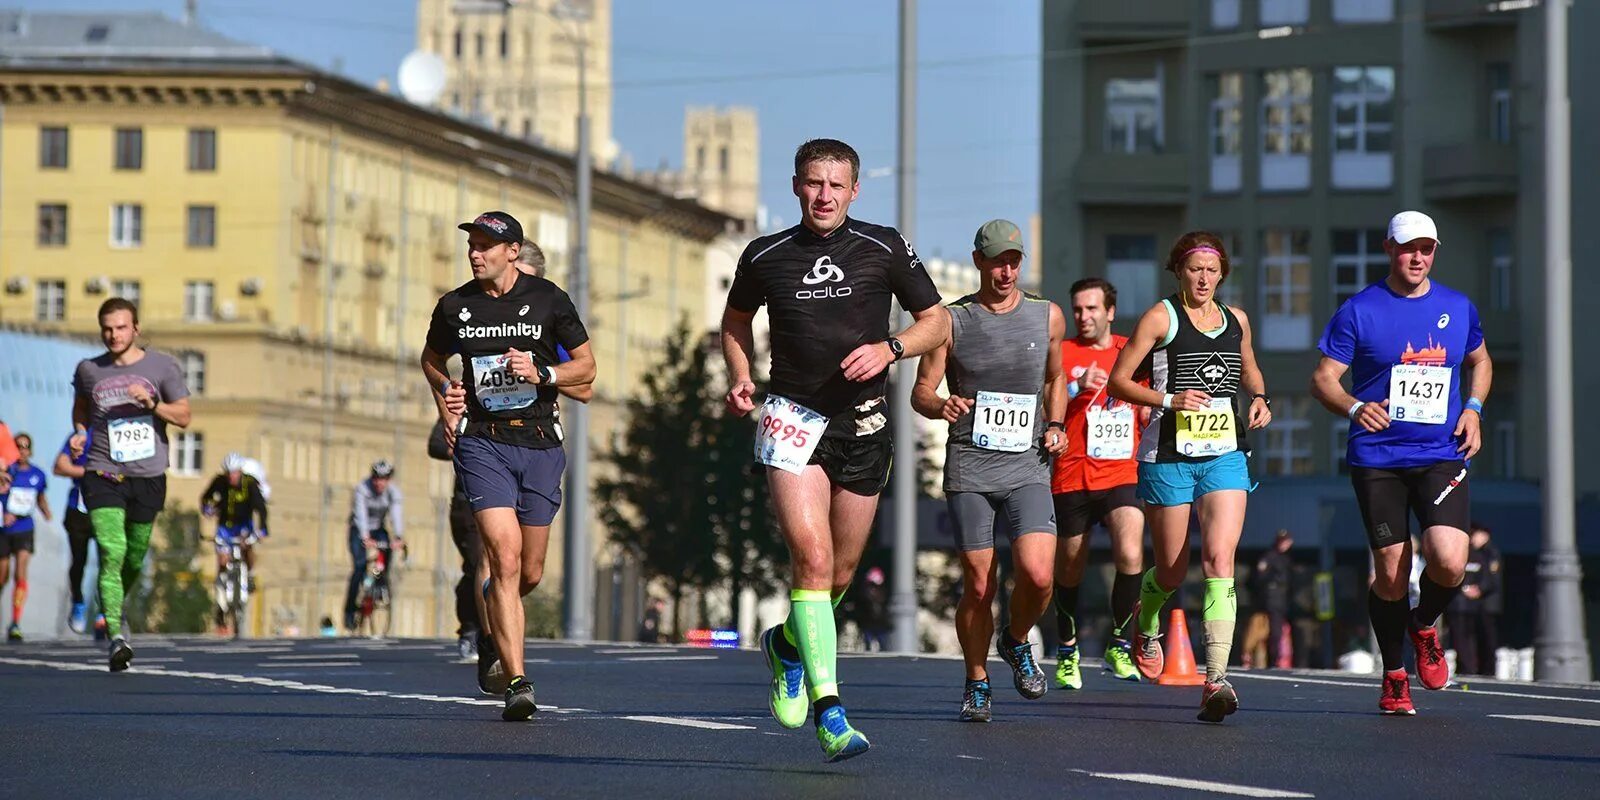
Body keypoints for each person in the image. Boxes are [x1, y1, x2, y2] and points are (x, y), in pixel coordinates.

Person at [722, 138, 946, 760]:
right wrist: (741, 376)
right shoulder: (766, 254)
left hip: (865, 426)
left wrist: (892, 349)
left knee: (840, 573)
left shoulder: (882, 245)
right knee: (813, 560)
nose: (824, 196)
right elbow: (736, 322)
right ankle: (830, 709)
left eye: (836, 186)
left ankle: (786, 646)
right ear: (796, 186)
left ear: (854, 191)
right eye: (813, 184)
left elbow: (937, 319)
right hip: (792, 420)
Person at [1310, 210, 1491, 715]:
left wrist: (1473, 410)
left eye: (1427, 248)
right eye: (1409, 247)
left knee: (1450, 560)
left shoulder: (1457, 307)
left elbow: (1480, 360)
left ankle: (1424, 624)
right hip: (1379, 458)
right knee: (1392, 571)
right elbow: (1324, 378)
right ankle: (1394, 674)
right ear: (1389, 248)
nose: (1418, 257)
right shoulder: (1360, 310)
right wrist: (1353, 406)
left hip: (1441, 453)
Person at [421, 210, 596, 722]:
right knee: (504, 558)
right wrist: (446, 399)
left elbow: (587, 369)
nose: (475, 254)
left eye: (486, 246)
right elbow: (431, 359)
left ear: (512, 252)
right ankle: (516, 678)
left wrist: (543, 371)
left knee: (531, 572)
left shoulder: (549, 301)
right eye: (471, 246)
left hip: (540, 444)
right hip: (483, 444)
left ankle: (495, 613)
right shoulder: (456, 306)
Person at [1107, 231, 1272, 723]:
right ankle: (1148, 619)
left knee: (1220, 558)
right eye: (1194, 269)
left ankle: (1216, 678)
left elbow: (1251, 372)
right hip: (1168, 455)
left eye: (1211, 270)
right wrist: (1169, 400)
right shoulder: (1161, 316)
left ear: (1222, 274)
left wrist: (1261, 398)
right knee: (1174, 570)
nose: (1203, 278)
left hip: (1224, 452)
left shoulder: (1235, 319)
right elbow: (1120, 380)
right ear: (1179, 271)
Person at [912, 218, 1067, 722]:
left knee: (1040, 575)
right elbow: (922, 391)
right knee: (979, 585)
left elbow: (1056, 378)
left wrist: (1059, 422)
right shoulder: (951, 322)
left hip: (1028, 465)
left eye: (1014, 260)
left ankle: (1016, 639)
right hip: (971, 466)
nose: (1007, 270)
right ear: (978, 261)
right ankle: (976, 680)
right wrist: (942, 406)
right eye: (998, 260)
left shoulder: (1047, 317)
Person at [72, 297, 193, 671]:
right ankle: (115, 636)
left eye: (121, 327)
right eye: (107, 328)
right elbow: (81, 409)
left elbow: (185, 416)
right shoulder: (89, 369)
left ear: (135, 329)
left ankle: (114, 601)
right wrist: (79, 433)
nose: (113, 334)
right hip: (103, 472)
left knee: (135, 554)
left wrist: (153, 405)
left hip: (148, 476)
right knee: (112, 550)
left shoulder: (162, 366)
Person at [1050, 277, 1146, 688]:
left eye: (1092, 309)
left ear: (1110, 312)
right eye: (1078, 310)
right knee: (1070, 569)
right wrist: (1075, 386)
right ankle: (1068, 649)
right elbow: (1040, 404)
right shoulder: (1064, 351)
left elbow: (1147, 400)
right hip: (1071, 473)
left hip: (1122, 472)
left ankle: (1120, 644)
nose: (1083, 317)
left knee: (1130, 551)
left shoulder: (1131, 353)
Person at [200, 452, 269, 630]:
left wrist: (262, 528)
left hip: (243, 526)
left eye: (235, 473)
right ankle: (221, 604)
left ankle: (250, 574)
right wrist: (208, 508)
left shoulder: (250, 484)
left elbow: (261, 508)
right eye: (228, 474)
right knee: (222, 561)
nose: (231, 477)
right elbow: (206, 497)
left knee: (248, 547)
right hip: (225, 526)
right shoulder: (220, 482)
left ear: (240, 472)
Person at [2, 433, 52, 641]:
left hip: (25, 528)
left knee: (21, 573)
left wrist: (46, 511)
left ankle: (15, 621)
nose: (22, 450)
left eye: (25, 447)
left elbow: (40, 498)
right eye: (18, 446)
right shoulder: (7, 472)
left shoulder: (38, 475)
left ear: (30, 450)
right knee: (2, 576)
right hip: (4, 530)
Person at [345, 460, 404, 632]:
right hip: (358, 528)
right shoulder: (362, 489)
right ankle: (349, 610)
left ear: (389, 480)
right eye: (377, 479)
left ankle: (381, 583)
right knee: (359, 566)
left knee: (388, 549)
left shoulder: (393, 493)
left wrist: (399, 536)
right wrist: (365, 537)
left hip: (378, 528)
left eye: (384, 479)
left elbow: (396, 514)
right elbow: (360, 515)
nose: (380, 483)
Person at [53, 429, 96, 633]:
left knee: (111, 559)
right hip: (79, 509)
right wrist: (90, 471)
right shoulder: (80, 435)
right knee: (79, 560)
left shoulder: (118, 430)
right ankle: (78, 600)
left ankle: (107, 610)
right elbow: (59, 466)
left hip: (109, 507)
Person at [1445, 523, 1502, 676]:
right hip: (1474, 604)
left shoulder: (1489, 553)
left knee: (1486, 638)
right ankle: (1477, 668)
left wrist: (1479, 589)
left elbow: (1491, 578)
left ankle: (1486, 669)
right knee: (1472, 637)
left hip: (1486, 603)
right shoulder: (1477, 553)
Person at [1253, 530, 1295, 669]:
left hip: (1282, 600)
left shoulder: (1286, 559)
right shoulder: (1270, 557)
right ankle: (1272, 660)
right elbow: (1260, 578)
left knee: (1279, 631)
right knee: (1273, 631)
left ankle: (1277, 659)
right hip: (1272, 600)